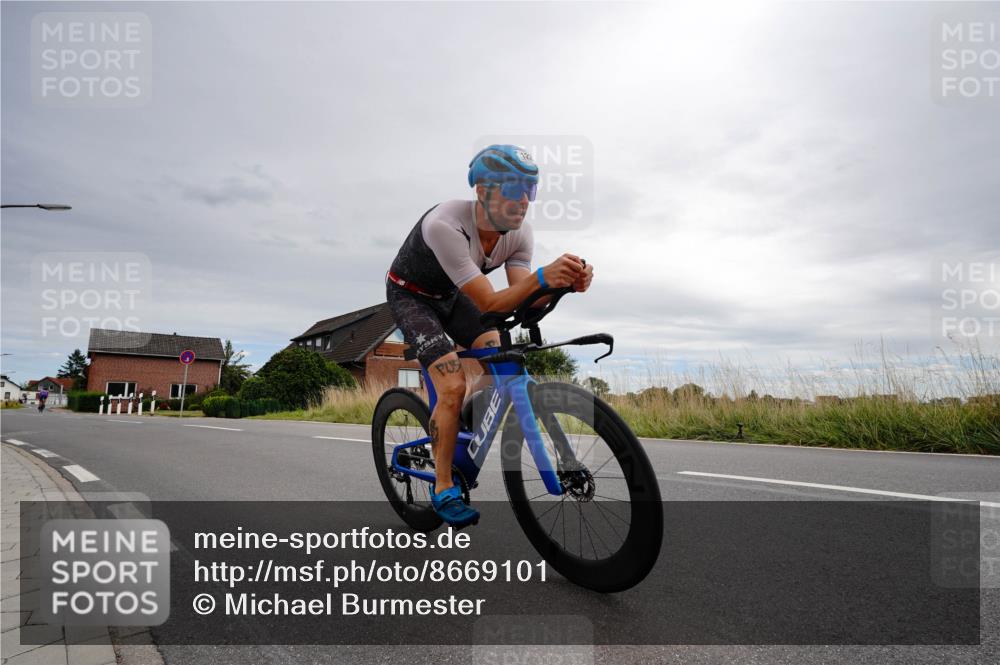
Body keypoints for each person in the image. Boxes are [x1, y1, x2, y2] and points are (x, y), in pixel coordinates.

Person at [386, 144, 594, 526]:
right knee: (450, 385)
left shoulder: (519, 234)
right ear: (482, 191)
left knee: (497, 358)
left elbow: (522, 302)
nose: (524, 202)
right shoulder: (445, 226)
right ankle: (443, 486)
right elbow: (491, 305)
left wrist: (563, 285)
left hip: (451, 296)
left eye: (530, 192)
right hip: (411, 296)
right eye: (514, 191)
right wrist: (544, 277)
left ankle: (460, 422)